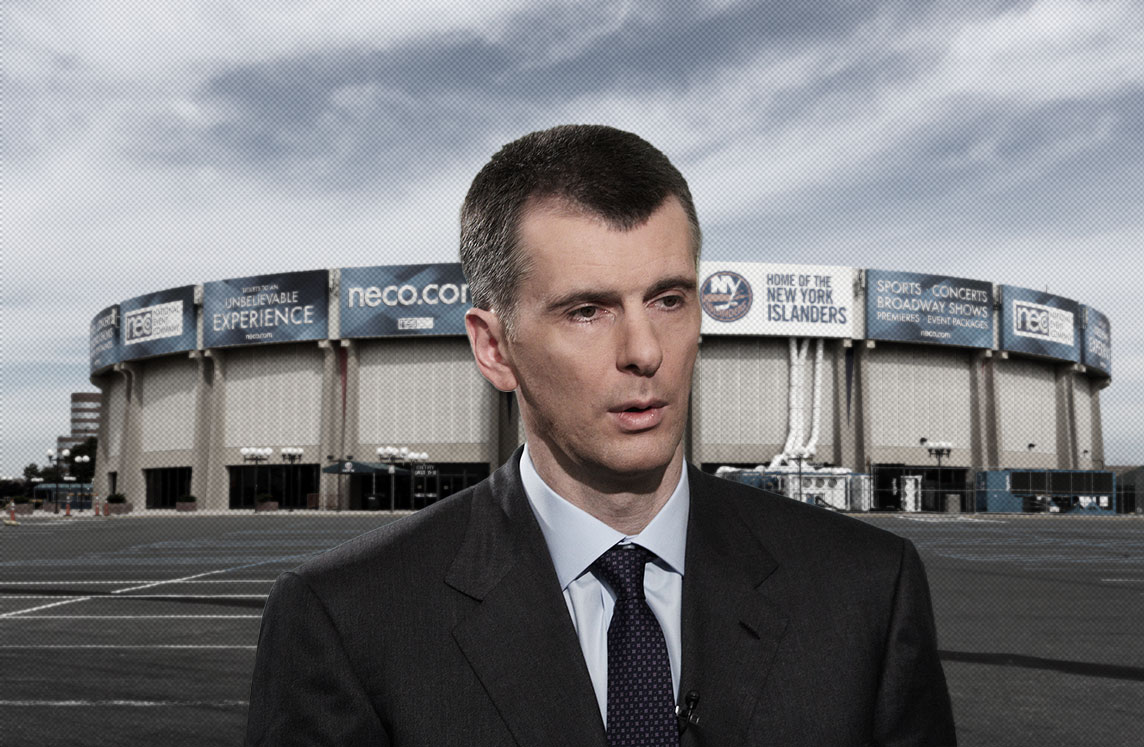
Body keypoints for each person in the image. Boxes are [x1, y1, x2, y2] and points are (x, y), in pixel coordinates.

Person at [245, 125, 956, 746]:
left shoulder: (866, 589)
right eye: (588, 310)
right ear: (494, 348)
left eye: (669, 299)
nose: (645, 350)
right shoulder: (347, 620)